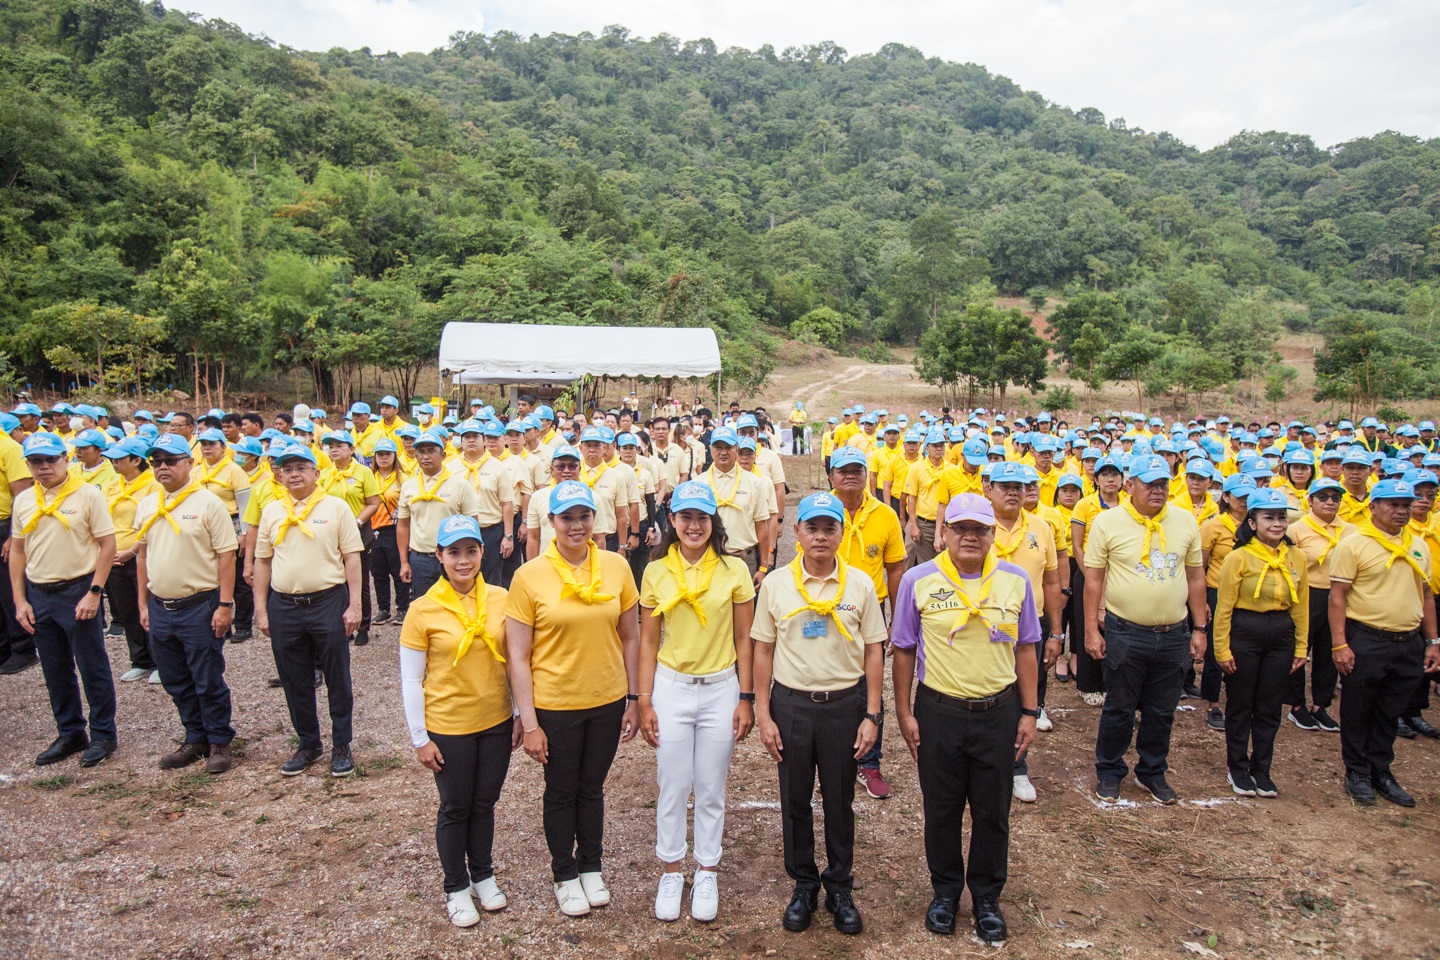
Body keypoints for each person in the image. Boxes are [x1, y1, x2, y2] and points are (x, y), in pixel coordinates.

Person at [891, 493, 1040, 942]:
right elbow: (903, 648)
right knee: (942, 808)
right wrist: (902, 711)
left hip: (998, 711)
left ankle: (987, 896)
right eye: (961, 528)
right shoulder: (917, 580)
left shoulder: (1015, 581)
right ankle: (945, 893)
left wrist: (1030, 710)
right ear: (944, 533)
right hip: (939, 712)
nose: (971, 537)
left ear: (993, 534)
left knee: (993, 810)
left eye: (980, 529)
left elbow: (1027, 647)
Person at [504, 481, 641, 918]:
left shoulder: (617, 566)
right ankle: (564, 872)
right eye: (567, 518)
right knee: (562, 789)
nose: (577, 526)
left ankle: (591, 867)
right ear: (551, 523)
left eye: (584, 516)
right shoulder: (529, 576)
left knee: (592, 787)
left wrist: (634, 698)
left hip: (605, 698)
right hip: (555, 703)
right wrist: (529, 723)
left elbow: (631, 636)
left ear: (594, 519)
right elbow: (518, 656)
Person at [752, 492, 886, 936]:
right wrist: (764, 714)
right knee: (794, 800)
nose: (821, 536)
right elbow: (763, 650)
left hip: (843, 707)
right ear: (797, 533)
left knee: (839, 799)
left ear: (841, 533)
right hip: (791, 705)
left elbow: (873, 651)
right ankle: (804, 884)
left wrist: (872, 714)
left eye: (830, 528)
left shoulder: (862, 585)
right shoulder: (775, 585)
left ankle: (840, 886)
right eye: (813, 528)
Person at [636, 481, 756, 922]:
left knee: (710, 787)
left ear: (713, 523)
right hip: (671, 687)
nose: (693, 525)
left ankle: (706, 869)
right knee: (672, 784)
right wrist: (644, 698)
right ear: (672, 520)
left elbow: (744, 636)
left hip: (721, 688)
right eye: (685, 517)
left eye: (702, 518)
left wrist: (746, 696)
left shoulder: (734, 570)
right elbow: (648, 641)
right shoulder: (655, 571)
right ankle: (671, 869)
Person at [400, 513, 520, 927]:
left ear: (482, 552)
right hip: (449, 725)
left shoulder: (503, 599)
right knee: (455, 806)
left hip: (495, 720)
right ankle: (455, 885)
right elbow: (411, 679)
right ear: (439, 556)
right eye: (454, 553)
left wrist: (521, 713)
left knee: (484, 802)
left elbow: (517, 663)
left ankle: (483, 874)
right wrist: (420, 738)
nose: (464, 561)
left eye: (471, 551)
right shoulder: (422, 609)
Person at [1084, 455, 1207, 805]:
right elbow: (1093, 579)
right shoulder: (1107, 523)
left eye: (1164, 483)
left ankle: (1152, 771)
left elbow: (1195, 576)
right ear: (1129, 485)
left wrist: (1199, 628)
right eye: (1150, 483)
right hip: (1126, 632)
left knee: (1161, 709)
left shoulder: (1184, 521)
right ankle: (1109, 770)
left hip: (1173, 634)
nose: (1158, 490)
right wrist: (1092, 628)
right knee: (1120, 708)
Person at [252, 442, 365, 777]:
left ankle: (341, 744)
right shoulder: (272, 510)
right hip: (285, 604)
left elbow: (352, 557)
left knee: (337, 677)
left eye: (301, 468)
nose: (294, 474)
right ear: (279, 474)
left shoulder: (336, 507)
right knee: (294, 678)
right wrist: (261, 609)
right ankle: (308, 743)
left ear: (316, 473)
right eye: (287, 469)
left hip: (327, 601)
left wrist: (355, 604)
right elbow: (262, 561)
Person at [1328, 477, 1440, 807]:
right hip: (1367, 637)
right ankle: (1357, 771)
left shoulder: (1417, 545)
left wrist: (1432, 641)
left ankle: (1381, 770)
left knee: (1389, 710)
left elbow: (1427, 595)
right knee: (1358, 707)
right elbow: (1337, 597)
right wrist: (1339, 644)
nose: (1401, 511)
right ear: (1373, 507)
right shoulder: (1354, 544)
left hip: (1407, 641)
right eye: (1393, 504)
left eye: (1407, 505)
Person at [134, 433, 240, 774]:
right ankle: (194, 736)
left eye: (171, 460)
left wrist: (225, 605)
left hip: (200, 604)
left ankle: (219, 740)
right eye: (157, 462)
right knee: (175, 677)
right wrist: (142, 604)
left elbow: (227, 555)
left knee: (207, 677)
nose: (163, 467)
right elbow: (142, 556)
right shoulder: (148, 504)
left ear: (189, 464)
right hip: (161, 606)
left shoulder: (208, 504)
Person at [10, 432, 118, 767]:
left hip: (78, 589)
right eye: (35, 462)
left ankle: (103, 734)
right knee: (55, 668)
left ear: (65, 459)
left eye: (50, 460)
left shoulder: (88, 496)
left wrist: (95, 592)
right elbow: (17, 550)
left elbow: (107, 545)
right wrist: (20, 600)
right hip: (40, 592)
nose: (43, 467)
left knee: (91, 665)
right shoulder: (25, 500)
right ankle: (70, 731)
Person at [1212, 488, 1309, 798]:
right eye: (1269, 518)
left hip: (1280, 633)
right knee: (1241, 704)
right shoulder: (1238, 557)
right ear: (1252, 522)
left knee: (1269, 705)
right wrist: (1222, 649)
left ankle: (1262, 769)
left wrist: (1301, 646)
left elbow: (1301, 605)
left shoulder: (1296, 557)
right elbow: (1223, 607)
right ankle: (1237, 768)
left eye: (1282, 518)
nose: (1277, 524)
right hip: (1246, 631)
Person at [825, 448, 906, 800]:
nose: (850, 476)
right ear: (831, 476)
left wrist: (898, 619)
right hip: (826, 607)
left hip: (871, 609)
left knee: (869, 683)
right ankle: (830, 755)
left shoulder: (886, 515)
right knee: (828, 679)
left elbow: (896, 569)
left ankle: (869, 761)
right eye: (843, 471)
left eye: (858, 469)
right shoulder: (819, 509)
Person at [986, 463, 1063, 803]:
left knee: (1026, 697)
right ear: (989, 489)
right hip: (984, 625)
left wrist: (1057, 633)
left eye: (1020, 485)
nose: (1014, 492)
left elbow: (1051, 580)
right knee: (990, 694)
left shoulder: (1041, 528)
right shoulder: (976, 524)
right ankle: (987, 763)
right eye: (1005, 486)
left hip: (1030, 624)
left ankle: (1017, 767)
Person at [1284, 478, 1352, 733]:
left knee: (1330, 648)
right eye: (1323, 497)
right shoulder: (1297, 529)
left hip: (1339, 595)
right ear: (1310, 500)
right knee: (1300, 647)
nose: (1330, 502)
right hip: (1307, 593)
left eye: (1335, 498)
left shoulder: (1349, 531)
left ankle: (1320, 705)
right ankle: (1297, 705)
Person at [1196, 474, 1257, 728]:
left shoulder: (1257, 524)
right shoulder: (1214, 525)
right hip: (1217, 591)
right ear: (1226, 497)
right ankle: (1213, 704)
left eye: (1248, 496)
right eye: (1239, 495)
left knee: (1243, 646)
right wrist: (1203, 601)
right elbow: (1200, 564)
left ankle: (1240, 700)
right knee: (1214, 648)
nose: (1244, 500)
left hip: (1246, 593)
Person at [103, 436, 161, 684]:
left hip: (141, 554)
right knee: (127, 610)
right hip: (114, 557)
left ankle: (160, 661)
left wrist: (132, 551)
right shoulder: (113, 486)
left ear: (136, 460)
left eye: (119, 458)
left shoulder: (153, 485)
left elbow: (153, 524)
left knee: (150, 608)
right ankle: (140, 660)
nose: (113, 463)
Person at [1068, 454, 1124, 705]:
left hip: (1120, 574)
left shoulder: (1128, 505)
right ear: (1095, 479)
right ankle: (1089, 684)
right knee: (1087, 624)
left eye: (1115, 474)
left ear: (1123, 480)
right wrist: (1092, 574)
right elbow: (1078, 546)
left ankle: (1112, 682)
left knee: (1116, 627)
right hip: (1089, 573)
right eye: (1104, 474)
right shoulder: (1085, 505)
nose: (1110, 479)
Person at [398, 431, 482, 598]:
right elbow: (403, 525)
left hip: (452, 557)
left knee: (457, 602)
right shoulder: (409, 486)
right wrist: (404, 562)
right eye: (421, 452)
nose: (426, 456)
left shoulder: (460, 485)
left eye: (431, 451)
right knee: (424, 606)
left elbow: (472, 523)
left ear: (443, 455)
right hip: (420, 558)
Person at [320, 431, 381, 644]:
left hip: (358, 532)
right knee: (336, 581)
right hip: (331, 534)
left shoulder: (364, 472)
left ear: (352, 449)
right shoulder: (325, 474)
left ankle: (363, 626)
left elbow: (373, 502)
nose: (334, 449)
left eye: (340, 445)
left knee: (359, 581)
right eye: (331, 446)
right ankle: (343, 626)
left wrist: (356, 522)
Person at [697, 426, 773, 584]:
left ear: (737, 449)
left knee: (744, 607)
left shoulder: (754, 483)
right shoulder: (699, 484)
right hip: (709, 558)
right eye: (718, 447)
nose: (723, 452)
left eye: (728, 447)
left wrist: (763, 567)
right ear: (710, 449)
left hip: (744, 558)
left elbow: (762, 526)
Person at [0, 415, 35, 676]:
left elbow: (21, 493)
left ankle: (22, 647)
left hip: (5, 525)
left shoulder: (9, 448)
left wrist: (13, 534)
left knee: (9, 587)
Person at [904, 430, 950, 567]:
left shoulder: (951, 470)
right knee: (913, 556)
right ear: (927, 448)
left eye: (942, 445)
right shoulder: (917, 469)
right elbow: (911, 498)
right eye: (935, 446)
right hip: (922, 522)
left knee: (945, 562)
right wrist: (913, 525)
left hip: (945, 524)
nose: (939, 449)